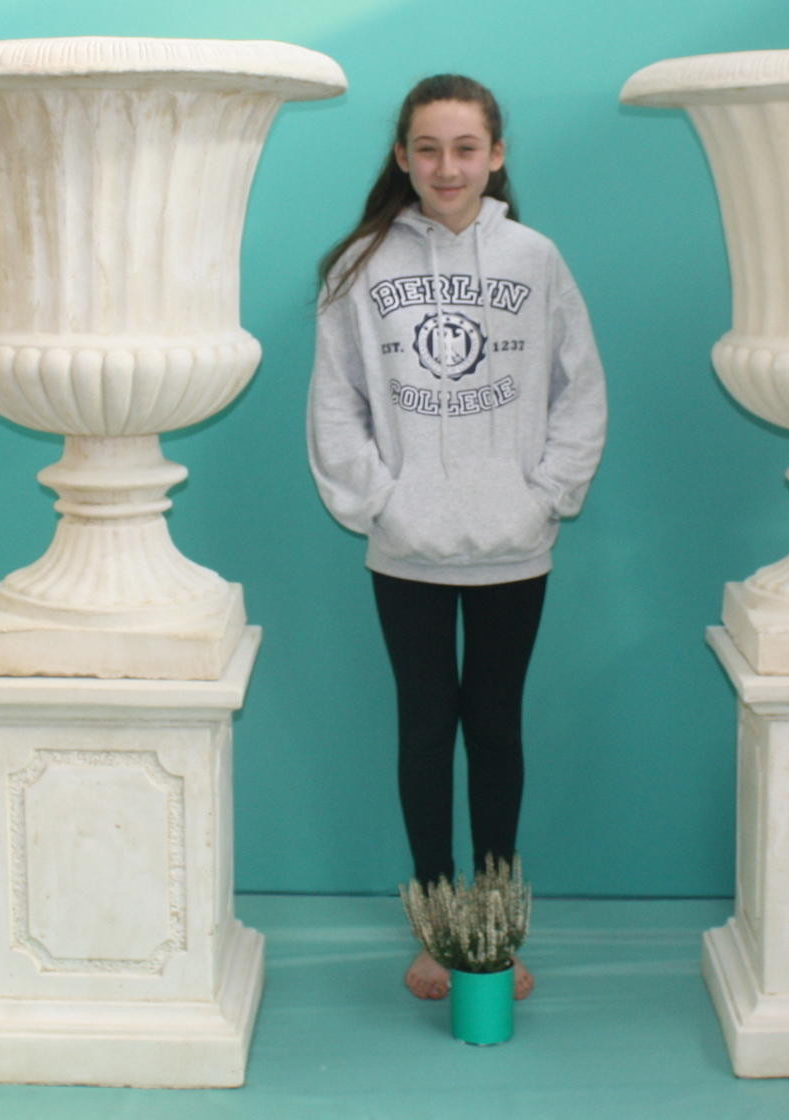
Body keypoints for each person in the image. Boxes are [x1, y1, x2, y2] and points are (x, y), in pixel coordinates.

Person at [307, 74, 607, 1002]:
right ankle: (440, 936)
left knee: (498, 728)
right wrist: (381, 504)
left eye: (465, 148)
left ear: (497, 154)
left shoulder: (535, 259)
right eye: (427, 149)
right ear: (402, 156)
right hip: (409, 546)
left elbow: (580, 390)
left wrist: (546, 495)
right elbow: (335, 402)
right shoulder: (360, 268)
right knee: (426, 729)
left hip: (513, 542)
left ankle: (499, 931)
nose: (447, 166)